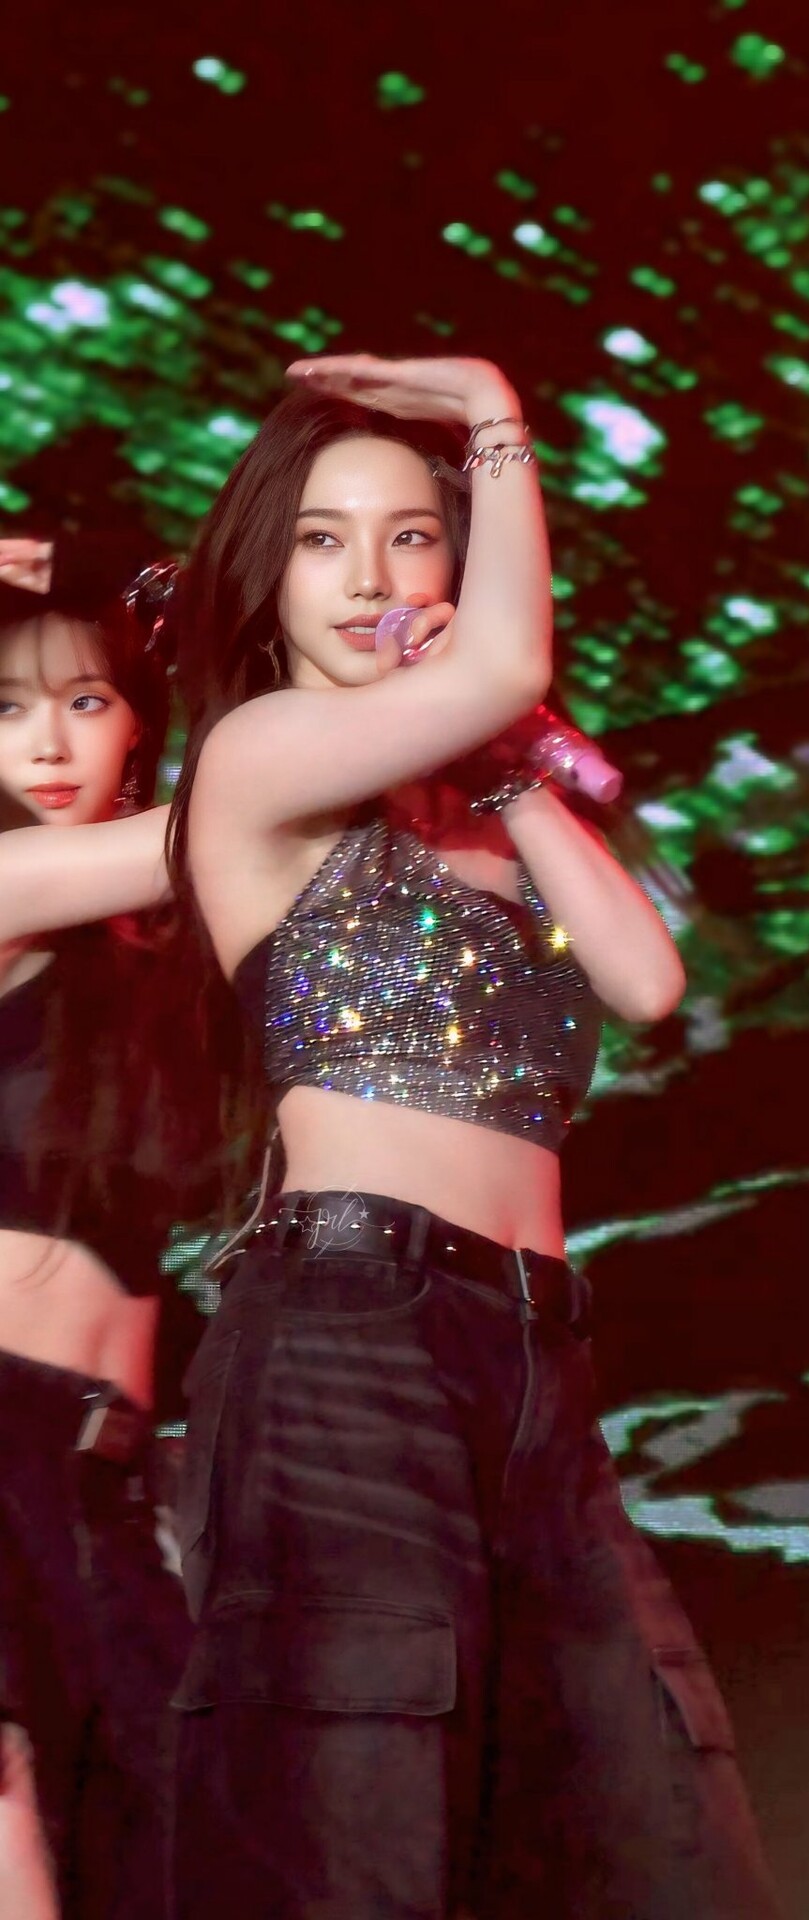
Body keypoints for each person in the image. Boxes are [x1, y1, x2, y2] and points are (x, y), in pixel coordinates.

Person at [167, 352, 781, 1919]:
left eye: (411, 537)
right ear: (269, 579)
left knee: (658, 1829)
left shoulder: (487, 815)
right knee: (363, 1838)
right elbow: (504, 662)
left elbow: (644, 981)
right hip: (350, 1334)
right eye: (323, 542)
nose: (372, 579)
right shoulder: (256, 758)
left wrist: (508, 778)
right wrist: (494, 413)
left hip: (534, 1358)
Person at [0, 559, 212, 1919]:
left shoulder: (160, 965)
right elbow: (247, 817)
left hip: (111, 1490)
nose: (47, 743)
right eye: (6, 708)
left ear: (139, 723)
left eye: (84, 700)